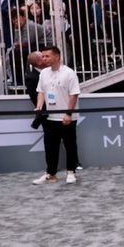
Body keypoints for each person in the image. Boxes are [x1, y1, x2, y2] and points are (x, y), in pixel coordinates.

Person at [32, 45, 81, 185]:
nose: (44, 59)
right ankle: (50, 174)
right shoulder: (43, 73)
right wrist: (39, 106)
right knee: (50, 147)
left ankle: (71, 172)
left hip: (67, 118)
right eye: (43, 56)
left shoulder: (69, 73)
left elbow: (74, 94)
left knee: (70, 145)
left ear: (57, 56)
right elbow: (41, 91)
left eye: (47, 56)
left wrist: (68, 114)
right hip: (49, 117)